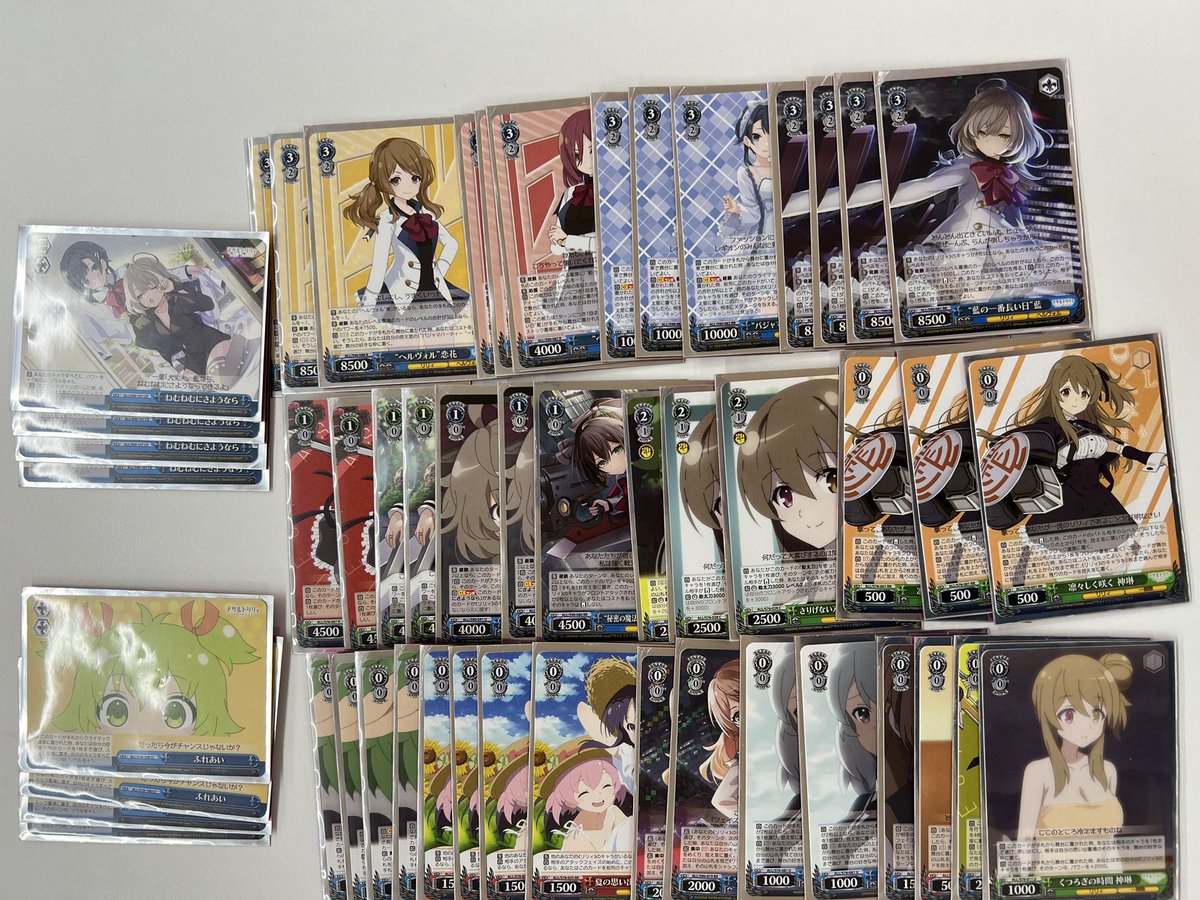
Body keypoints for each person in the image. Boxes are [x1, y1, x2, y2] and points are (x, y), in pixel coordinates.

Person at [344, 137, 467, 315]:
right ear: (384, 182)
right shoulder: (387, 220)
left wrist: (438, 271)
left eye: (415, 178)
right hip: (402, 295)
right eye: (396, 180)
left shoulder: (425, 212)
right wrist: (367, 309)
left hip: (435, 290)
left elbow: (452, 244)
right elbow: (378, 268)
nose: (408, 186)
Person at [1017, 653, 1130, 842]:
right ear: (1049, 715)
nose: (1085, 726)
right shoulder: (1038, 772)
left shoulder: (1107, 770)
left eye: (1096, 714)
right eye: (1069, 714)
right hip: (1051, 862)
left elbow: (1109, 844)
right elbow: (1025, 840)